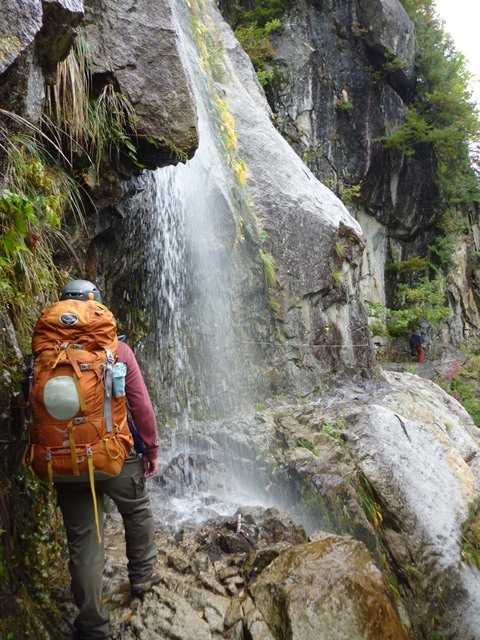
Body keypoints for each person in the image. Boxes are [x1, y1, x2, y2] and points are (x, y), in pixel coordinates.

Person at [31, 280, 161, 640]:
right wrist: (150, 448)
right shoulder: (117, 349)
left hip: (64, 461)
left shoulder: (42, 355)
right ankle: (142, 576)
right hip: (114, 457)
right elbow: (141, 406)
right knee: (136, 509)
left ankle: (92, 625)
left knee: (84, 541)